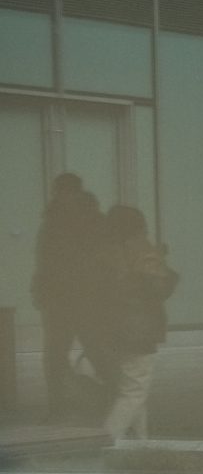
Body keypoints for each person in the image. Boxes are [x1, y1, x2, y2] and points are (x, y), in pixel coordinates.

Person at [87, 205, 178, 443]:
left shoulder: (103, 252)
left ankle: (141, 444)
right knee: (134, 391)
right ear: (139, 226)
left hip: (110, 329)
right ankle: (106, 440)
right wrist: (164, 267)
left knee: (130, 388)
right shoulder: (142, 250)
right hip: (138, 329)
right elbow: (159, 288)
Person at [31, 173, 102, 420]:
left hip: (72, 298)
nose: (61, 196)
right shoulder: (78, 219)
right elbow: (45, 262)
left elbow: (46, 262)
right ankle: (63, 407)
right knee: (86, 351)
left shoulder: (63, 220)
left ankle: (61, 408)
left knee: (61, 354)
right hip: (72, 299)